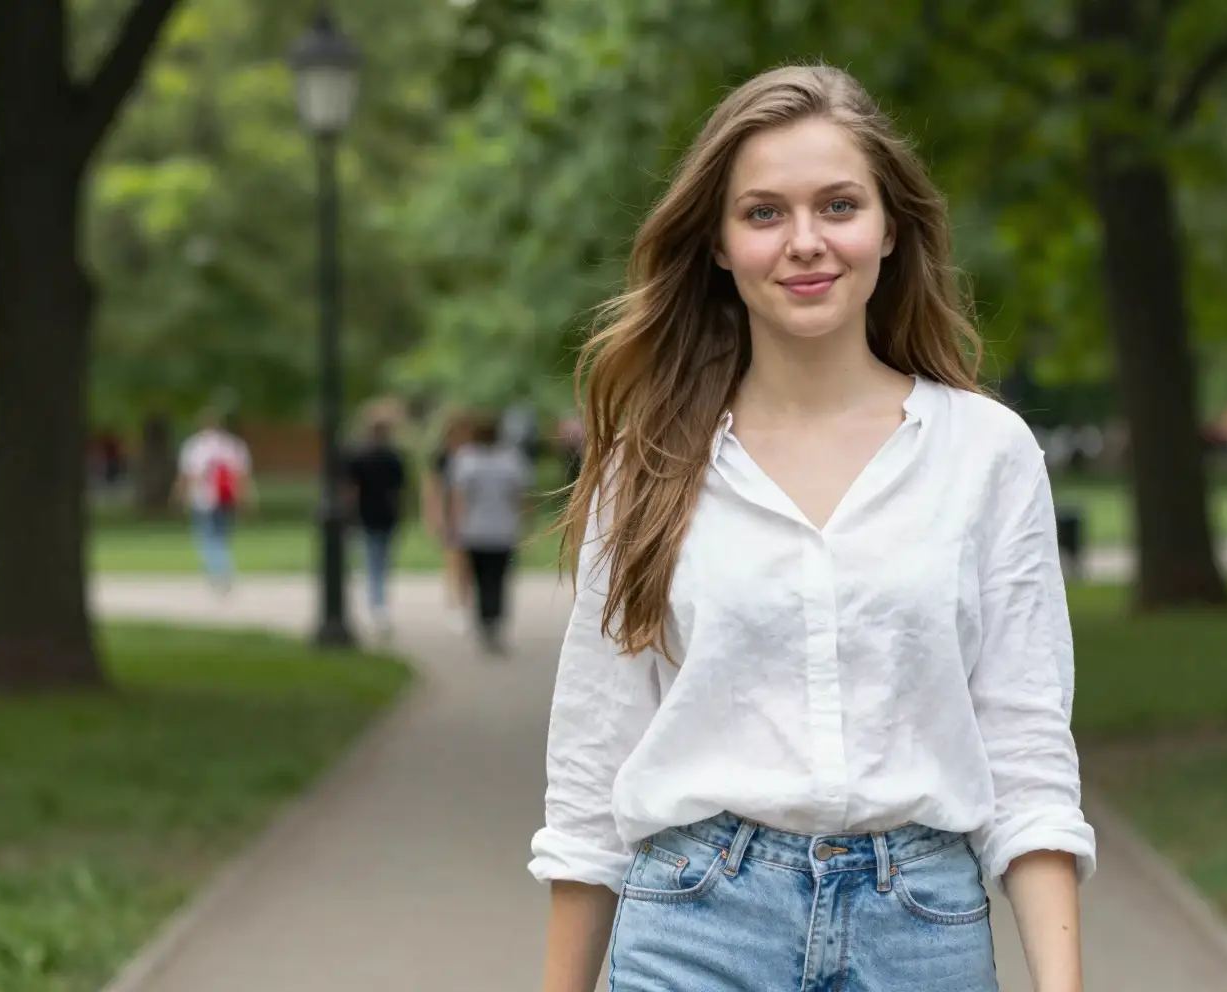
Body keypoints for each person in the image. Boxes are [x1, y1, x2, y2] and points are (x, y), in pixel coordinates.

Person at [530, 65, 1095, 992]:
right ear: (718, 244)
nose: (805, 242)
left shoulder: (986, 453)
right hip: (694, 926)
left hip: (922, 931)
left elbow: (1028, 758)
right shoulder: (650, 464)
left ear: (890, 228)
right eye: (764, 213)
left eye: (838, 205)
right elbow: (593, 769)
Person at [445, 414, 533, 656]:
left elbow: (459, 497)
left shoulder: (466, 460)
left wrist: (456, 525)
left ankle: (484, 620)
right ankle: (495, 620)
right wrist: (525, 522)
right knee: (499, 579)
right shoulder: (511, 460)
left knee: (479, 579)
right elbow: (520, 496)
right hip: (503, 530)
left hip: (475, 530)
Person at [175, 411, 254, 592]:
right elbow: (242, 475)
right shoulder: (232, 445)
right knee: (221, 536)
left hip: (203, 499)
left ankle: (220, 571)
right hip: (226, 498)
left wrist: (182, 496)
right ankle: (221, 570)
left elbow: (190, 475)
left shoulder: (195, 445)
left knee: (207, 538)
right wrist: (245, 498)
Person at [346, 417, 410, 639]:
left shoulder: (359, 457)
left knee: (371, 562)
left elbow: (351, 489)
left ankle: (376, 605)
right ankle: (379, 606)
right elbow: (398, 491)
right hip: (387, 515)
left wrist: (350, 513)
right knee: (382, 561)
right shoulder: (394, 458)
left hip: (366, 514)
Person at [420, 413, 477, 631]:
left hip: (472, 515)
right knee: (454, 559)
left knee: (470, 563)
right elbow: (432, 488)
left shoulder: (475, 454)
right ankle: (455, 605)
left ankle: (467, 602)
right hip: (449, 514)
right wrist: (433, 516)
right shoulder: (441, 458)